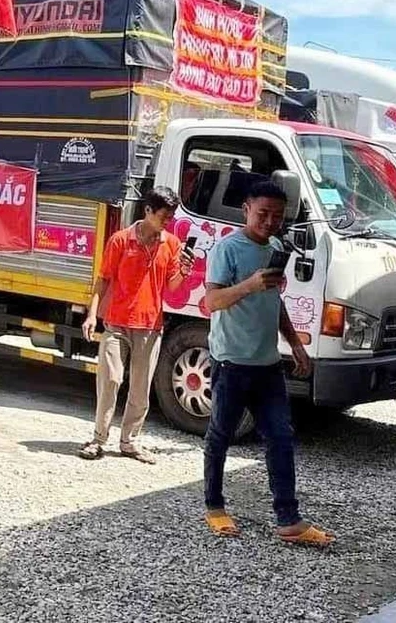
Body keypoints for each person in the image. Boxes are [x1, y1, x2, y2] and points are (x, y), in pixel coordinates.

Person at [202, 180, 335, 546]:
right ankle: (214, 505)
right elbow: (211, 303)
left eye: (277, 216)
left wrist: (296, 345)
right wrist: (250, 284)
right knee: (220, 436)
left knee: (280, 438)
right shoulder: (226, 250)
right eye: (263, 214)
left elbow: (275, 304)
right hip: (231, 363)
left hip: (268, 364)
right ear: (246, 209)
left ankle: (288, 520)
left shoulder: (277, 247)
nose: (270, 222)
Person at [78, 187, 193, 464]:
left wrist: (185, 272)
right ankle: (98, 438)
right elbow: (103, 279)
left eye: (172, 216)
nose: (168, 221)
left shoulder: (172, 244)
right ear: (148, 211)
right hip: (116, 323)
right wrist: (92, 315)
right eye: (164, 215)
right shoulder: (120, 240)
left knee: (140, 388)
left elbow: (172, 287)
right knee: (111, 380)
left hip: (150, 326)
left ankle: (129, 441)